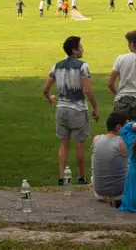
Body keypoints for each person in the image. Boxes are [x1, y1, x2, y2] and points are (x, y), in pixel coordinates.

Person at [43, 36, 100, 186]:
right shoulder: (82, 66)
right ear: (74, 51)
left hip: (61, 109)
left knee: (64, 143)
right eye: (80, 47)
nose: (82, 49)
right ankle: (81, 178)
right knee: (79, 143)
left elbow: (45, 89)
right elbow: (87, 90)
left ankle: (61, 178)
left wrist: (50, 98)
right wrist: (95, 108)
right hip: (78, 109)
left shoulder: (56, 66)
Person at [91, 111, 129, 202]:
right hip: (119, 194)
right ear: (119, 127)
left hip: (98, 192)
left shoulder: (96, 139)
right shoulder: (122, 142)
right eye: (127, 127)